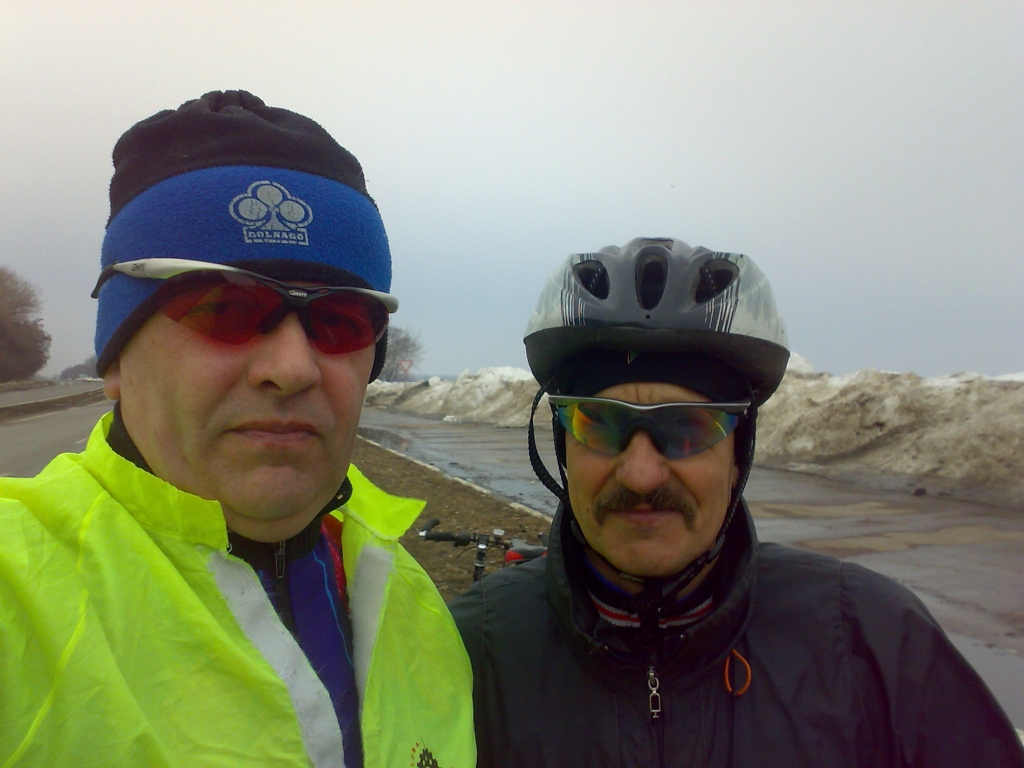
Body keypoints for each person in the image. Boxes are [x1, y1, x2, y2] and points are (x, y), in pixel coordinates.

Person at [0, 91, 474, 768]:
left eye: (339, 320)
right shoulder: (17, 587)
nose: (292, 368)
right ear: (117, 359)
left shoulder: (409, 595)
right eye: (225, 307)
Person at [449, 237, 1024, 767]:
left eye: (688, 427)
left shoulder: (872, 642)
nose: (642, 474)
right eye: (599, 423)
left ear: (738, 455)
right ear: (562, 445)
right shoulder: (466, 651)